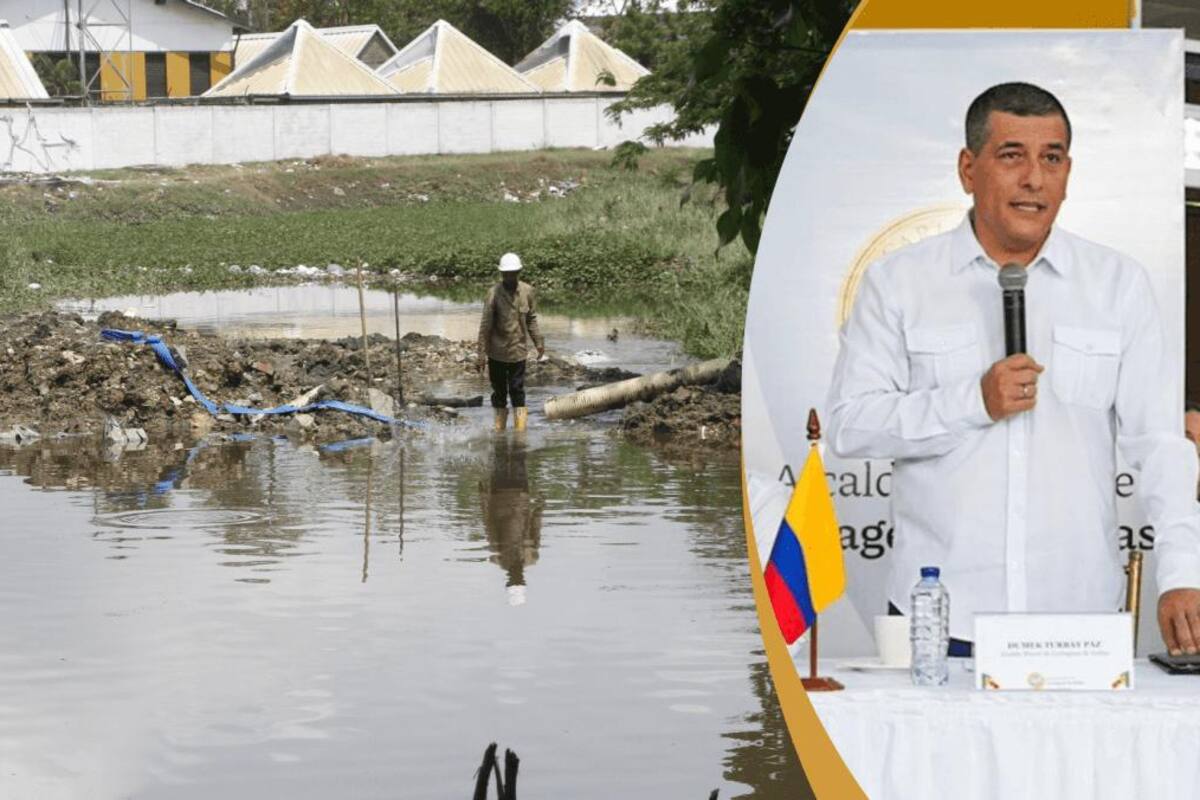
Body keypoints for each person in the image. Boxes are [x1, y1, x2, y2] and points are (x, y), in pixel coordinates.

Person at [826, 82, 1200, 656]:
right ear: (967, 169)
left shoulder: (1117, 285)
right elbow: (852, 424)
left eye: (1051, 158)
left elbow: (1160, 443)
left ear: (1068, 172)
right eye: (1011, 156)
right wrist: (971, 402)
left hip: (1079, 617)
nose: (1034, 179)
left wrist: (1182, 573)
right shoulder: (899, 282)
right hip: (940, 618)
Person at [477, 252, 545, 431]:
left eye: (512, 273)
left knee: (517, 391)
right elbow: (485, 325)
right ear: (501, 274)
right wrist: (481, 354)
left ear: (519, 272)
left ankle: (520, 433)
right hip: (497, 352)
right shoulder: (493, 293)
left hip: (518, 351)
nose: (509, 277)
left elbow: (531, 319)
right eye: (505, 274)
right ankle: (499, 431)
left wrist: (538, 341)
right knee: (499, 393)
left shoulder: (527, 291)